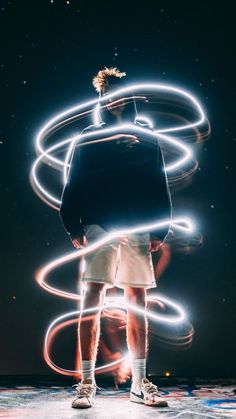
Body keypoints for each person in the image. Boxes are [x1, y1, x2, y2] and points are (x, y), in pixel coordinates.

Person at [59, 67, 172, 408]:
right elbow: (75, 181)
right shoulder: (90, 137)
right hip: (100, 225)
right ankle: (87, 382)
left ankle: (139, 383)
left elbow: (157, 181)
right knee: (91, 300)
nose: (116, 99)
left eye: (121, 93)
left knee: (137, 303)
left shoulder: (147, 137)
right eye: (109, 94)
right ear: (102, 98)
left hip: (137, 225)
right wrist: (74, 227)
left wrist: (160, 228)